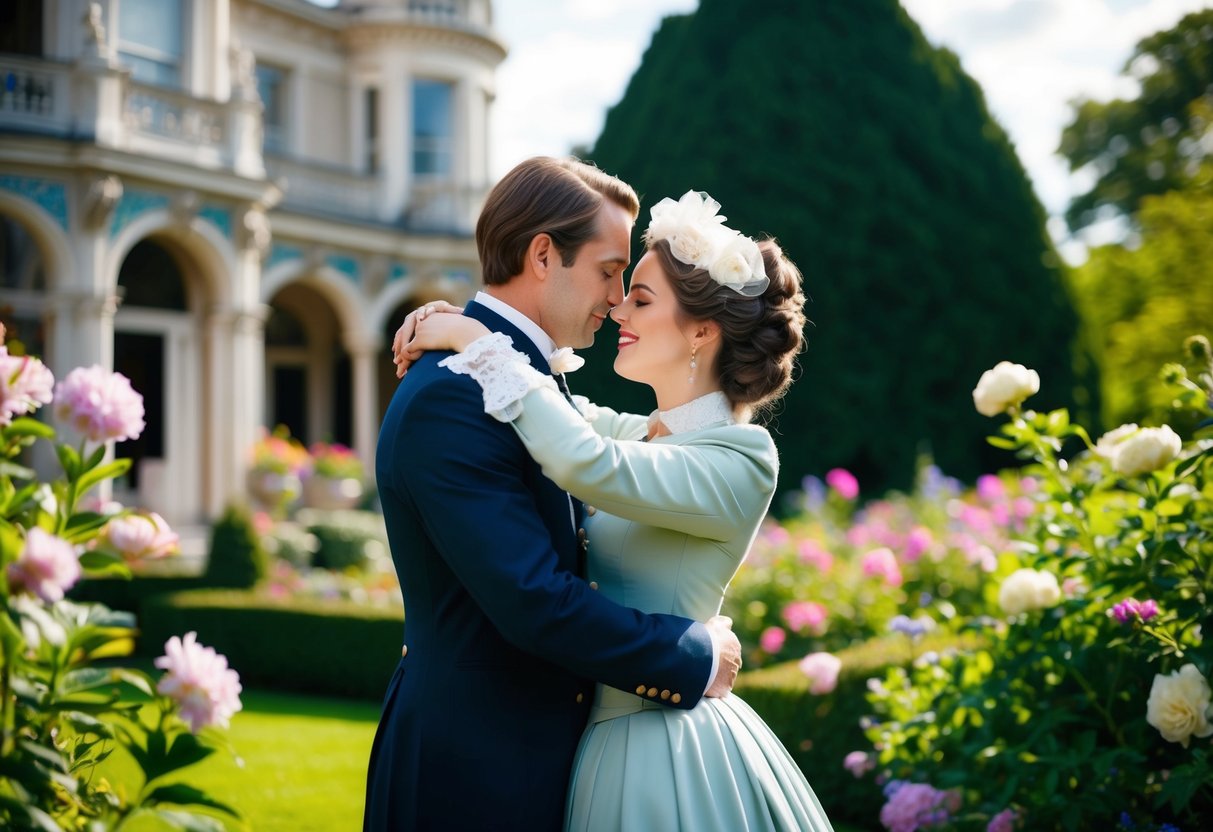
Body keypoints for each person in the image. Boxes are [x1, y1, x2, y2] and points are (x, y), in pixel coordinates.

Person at [398, 189, 833, 830]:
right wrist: (463, 327)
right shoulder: (642, 433)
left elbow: (582, 461)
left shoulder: (741, 457)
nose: (617, 304)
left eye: (641, 297)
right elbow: (553, 404)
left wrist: (473, 338)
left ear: (703, 331)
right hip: (595, 746)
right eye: (618, 283)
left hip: (668, 747)